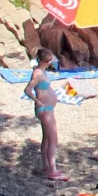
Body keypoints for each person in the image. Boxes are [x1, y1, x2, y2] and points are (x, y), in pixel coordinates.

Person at [24, 46, 66, 180]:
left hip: (48, 108)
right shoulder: (38, 74)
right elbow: (28, 90)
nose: (50, 63)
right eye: (48, 61)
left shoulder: (41, 71)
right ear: (43, 61)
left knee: (47, 138)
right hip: (45, 110)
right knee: (53, 139)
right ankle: (53, 171)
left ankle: (47, 165)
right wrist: (38, 101)